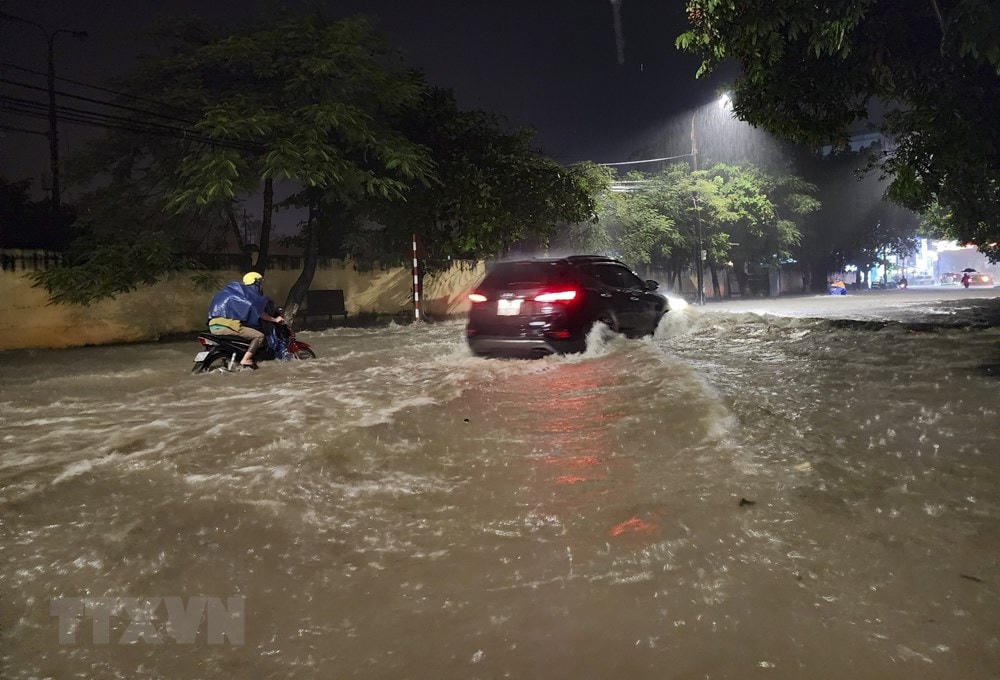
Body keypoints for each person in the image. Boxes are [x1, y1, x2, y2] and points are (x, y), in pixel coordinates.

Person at [206, 272, 284, 369]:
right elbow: (259, 313)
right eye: (260, 283)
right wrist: (275, 319)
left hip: (213, 325)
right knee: (259, 336)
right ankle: (246, 359)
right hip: (226, 326)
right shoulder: (248, 296)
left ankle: (236, 359)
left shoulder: (230, 291)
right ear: (256, 283)